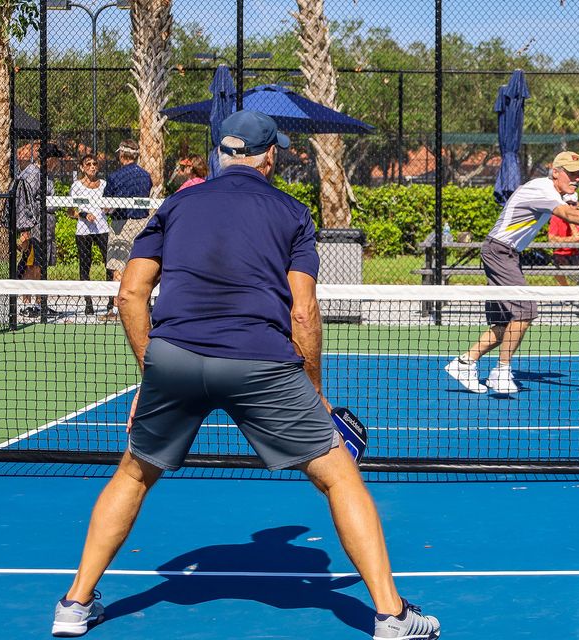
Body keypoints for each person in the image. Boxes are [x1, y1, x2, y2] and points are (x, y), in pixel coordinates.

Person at [51, 111, 440, 640]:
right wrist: (315, 392)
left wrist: (152, 373)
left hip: (175, 358)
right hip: (260, 361)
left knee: (134, 473)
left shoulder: (175, 205)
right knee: (338, 475)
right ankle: (392, 616)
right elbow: (303, 313)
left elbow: (129, 295)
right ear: (270, 157)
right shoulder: (292, 213)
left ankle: (74, 605)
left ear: (219, 152)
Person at [444, 151, 579, 394]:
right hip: (500, 252)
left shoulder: (554, 191)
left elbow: (571, 210)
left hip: (505, 253)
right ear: (555, 172)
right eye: (571, 174)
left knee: (505, 324)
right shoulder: (542, 189)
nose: (576, 179)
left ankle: (464, 363)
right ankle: (501, 372)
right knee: (526, 310)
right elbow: (568, 214)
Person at [102, 139, 153, 318]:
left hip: (120, 223)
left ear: (122, 154)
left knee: (118, 266)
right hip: (142, 223)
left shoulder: (114, 177)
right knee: (140, 266)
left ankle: (117, 309)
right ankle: (141, 307)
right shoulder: (146, 176)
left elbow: (106, 205)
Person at [13, 145, 61, 318]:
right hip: (34, 227)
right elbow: (22, 201)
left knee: (41, 266)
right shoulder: (32, 173)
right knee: (31, 266)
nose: (58, 163)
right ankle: (28, 304)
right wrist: (25, 229)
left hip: (46, 226)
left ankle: (41, 303)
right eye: (56, 159)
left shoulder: (47, 176)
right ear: (49, 159)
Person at [69, 155, 110, 314]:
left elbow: (112, 205)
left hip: (102, 229)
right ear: (82, 167)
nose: (92, 166)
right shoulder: (76, 186)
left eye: (95, 164)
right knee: (85, 265)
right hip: (84, 231)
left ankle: (110, 302)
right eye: (88, 164)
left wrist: (109, 209)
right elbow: (71, 211)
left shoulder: (104, 185)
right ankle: (88, 303)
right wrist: (85, 215)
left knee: (110, 264)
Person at [547, 192, 579, 286]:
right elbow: (551, 239)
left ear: (578, 205)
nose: (571, 206)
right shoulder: (556, 217)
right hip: (561, 252)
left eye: (573, 204)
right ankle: (567, 292)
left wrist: (571, 221)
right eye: (568, 204)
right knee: (555, 266)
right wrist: (572, 238)